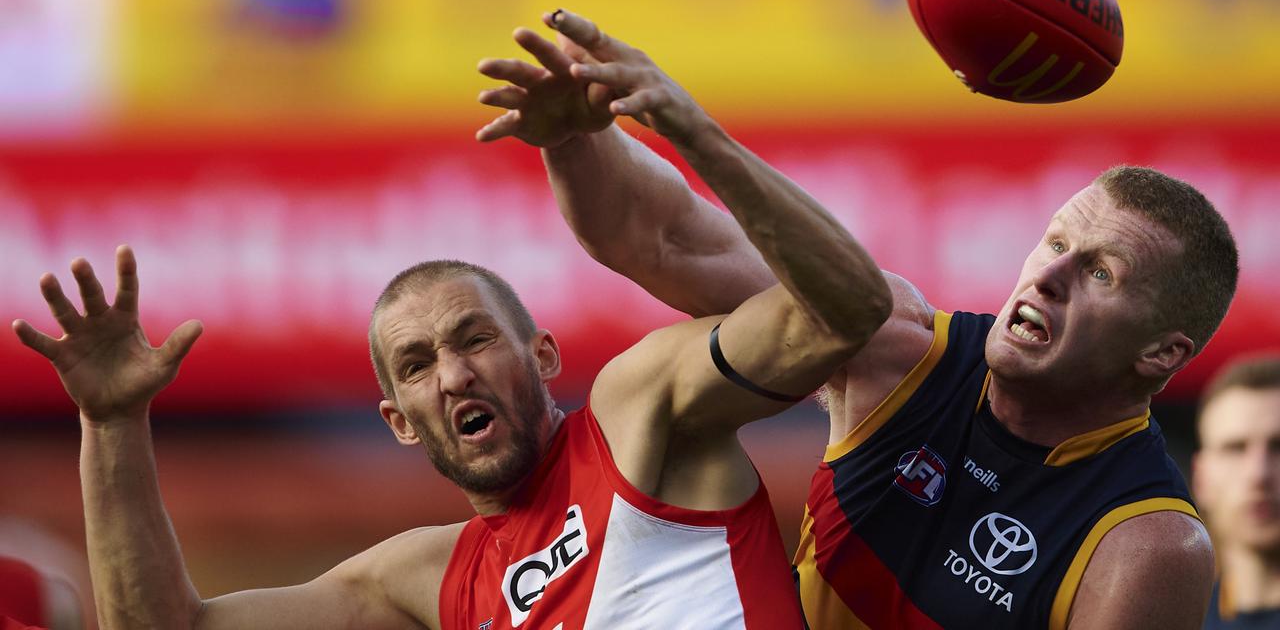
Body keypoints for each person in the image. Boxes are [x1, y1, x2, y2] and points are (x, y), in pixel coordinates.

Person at [10, 54, 893, 628]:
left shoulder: (639, 408)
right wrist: (113, 423)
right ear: (399, 421)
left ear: (543, 357)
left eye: (475, 338)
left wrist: (697, 137)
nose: (455, 373)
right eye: (419, 364)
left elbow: (846, 310)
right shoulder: (421, 580)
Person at [475, 8, 1240, 629]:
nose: (1050, 275)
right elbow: (665, 237)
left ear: (1159, 356)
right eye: (1056, 242)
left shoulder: (1146, 542)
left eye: (1101, 272)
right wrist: (574, 138)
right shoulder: (900, 352)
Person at [1195, 355, 1280, 629]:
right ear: (1201, 476)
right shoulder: (1165, 618)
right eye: (1235, 448)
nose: (1259, 474)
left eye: (1279, 447)